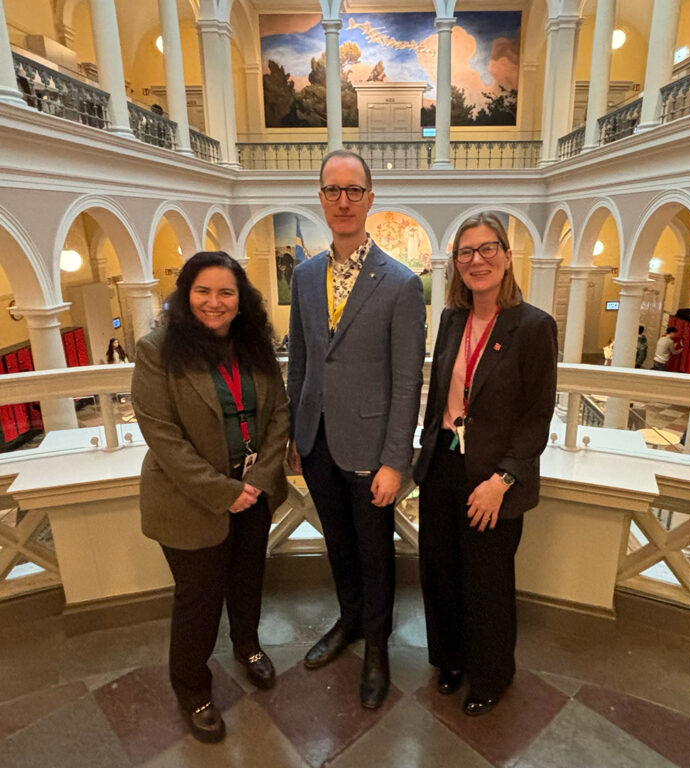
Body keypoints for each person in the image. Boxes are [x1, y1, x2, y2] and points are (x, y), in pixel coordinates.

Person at [287, 150, 426, 709]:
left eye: (353, 190)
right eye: (332, 190)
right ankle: (347, 623)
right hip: (318, 441)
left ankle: (377, 646)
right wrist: (297, 437)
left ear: (370, 198)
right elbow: (301, 360)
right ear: (320, 198)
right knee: (338, 544)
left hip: (372, 449)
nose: (342, 200)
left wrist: (397, 460)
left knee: (374, 551)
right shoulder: (303, 275)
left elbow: (407, 381)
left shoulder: (400, 284)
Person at [131, 252, 289, 743]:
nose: (214, 303)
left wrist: (258, 481)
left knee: (247, 580)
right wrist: (223, 492)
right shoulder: (157, 350)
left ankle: (247, 646)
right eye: (203, 291)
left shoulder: (253, 345)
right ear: (185, 295)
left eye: (227, 293)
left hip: (253, 492)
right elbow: (163, 436)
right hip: (189, 501)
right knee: (198, 601)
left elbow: (279, 414)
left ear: (241, 301)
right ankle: (193, 687)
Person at [414, 212, 557, 717]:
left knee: (487, 582)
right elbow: (443, 396)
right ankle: (449, 659)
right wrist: (428, 450)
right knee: (440, 571)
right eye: (466, 252)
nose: (477, 260)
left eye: (487, 248)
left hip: (493, 477)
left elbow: (538, 415)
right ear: (455, 263)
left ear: (507, 255)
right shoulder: (452, 318)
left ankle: (492, 673)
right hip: (444, 466)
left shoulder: (534, 326)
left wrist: (504, 479)